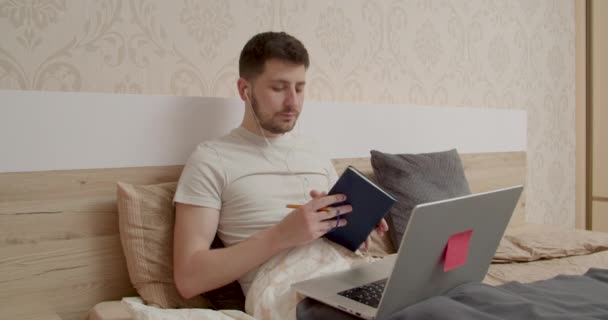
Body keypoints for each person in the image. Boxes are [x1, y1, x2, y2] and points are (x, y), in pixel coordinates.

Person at [172, 31, 388, 300]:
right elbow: (188, 278)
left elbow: (333, 234)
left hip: (349, 274)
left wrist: (352, 225)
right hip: (289, 294)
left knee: (447, 297)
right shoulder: (211, 160)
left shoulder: (314, 151)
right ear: (244, 90)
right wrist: (281, 235)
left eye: (299, 88)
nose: (293, 102)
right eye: (278, 88)